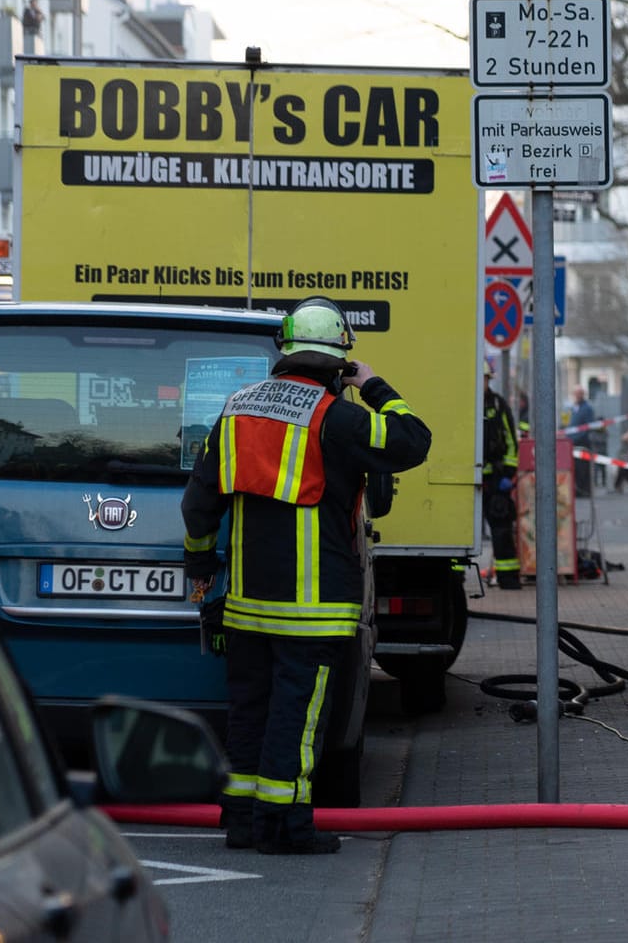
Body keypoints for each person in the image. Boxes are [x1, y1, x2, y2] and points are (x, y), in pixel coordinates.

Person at [181, 297, 432, 854]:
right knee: (298, 718)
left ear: (284, 351)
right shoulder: (339, 418)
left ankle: (243, 822)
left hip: (246, 608)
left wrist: (201, 573)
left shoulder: (238, 409)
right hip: (313, 612)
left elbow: (199, 505)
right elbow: (414, 440)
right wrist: (375, 385)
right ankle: (287, 829)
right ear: (339, 361)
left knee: (249, 713)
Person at [482, 356, 523, 588]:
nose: (481, 383)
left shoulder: (498, 405)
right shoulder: (462, 404)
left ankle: (508, 579)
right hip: (468, 478)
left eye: (485, 379)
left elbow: (510, 441)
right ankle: (454, 580)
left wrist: (508, 474)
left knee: (501, 529)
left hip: (496, 480)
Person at [567, 385, 596, 498]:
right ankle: (578, 489)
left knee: (583, 468)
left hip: (582, 442)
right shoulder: (574, 408)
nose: (577, 396)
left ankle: (584, 490)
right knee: (577, 468)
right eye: (576, 394)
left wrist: (576, 438)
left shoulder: (587, 408)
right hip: (573, 442)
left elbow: (588, 427)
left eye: (579, 393)